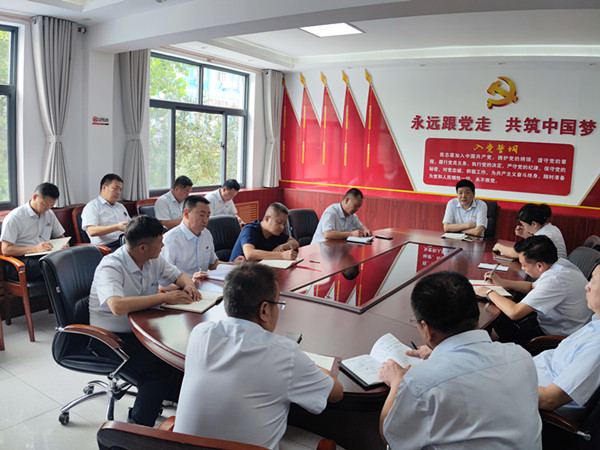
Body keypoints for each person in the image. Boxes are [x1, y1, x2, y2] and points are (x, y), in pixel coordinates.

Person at [174, 262, 343, 449]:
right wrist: (310, 364)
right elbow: (335, 393)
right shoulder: (286, 354)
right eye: (278, 304)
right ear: (264, 310)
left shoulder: (200, 333)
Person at [379, 271, 541, 449]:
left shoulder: (420, 383)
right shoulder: (520, 356)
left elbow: (390, 435)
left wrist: (397, 383)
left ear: (427, 329)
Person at [88, 215, 201, 426]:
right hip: (111, 338)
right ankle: (138, 427)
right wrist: (164, 298)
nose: (163, 245)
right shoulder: (111, 266)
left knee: (181, 354)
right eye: (160, 242)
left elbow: (180, 276)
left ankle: (174, 404)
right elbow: (117, 306)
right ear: (142, 248)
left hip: (145, 329)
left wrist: (189, 286)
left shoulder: (152, 259)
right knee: (156, 369)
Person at [476, 235, 591, 340]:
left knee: (500, 316)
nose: (522, 268)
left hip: (557, 338)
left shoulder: (554, 280)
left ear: (539, 265)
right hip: (564, 325)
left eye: (524, 265)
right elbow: (532, 286)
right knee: (504, 304)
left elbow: (514, 312)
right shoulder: (561, 265)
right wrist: (502, 282)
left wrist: (488, 292)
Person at [536, 263, 600, 420]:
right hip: (533, 372)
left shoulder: (597, 347)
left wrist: (505, 385)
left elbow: (549, 399)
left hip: (536, 403)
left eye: (593, 281)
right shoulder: (596, 322)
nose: (587, 286)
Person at [161, 195, 244, 284]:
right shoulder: (170, 241)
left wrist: (233, 265)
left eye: (208, 216)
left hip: (205, 284)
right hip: (182, 288)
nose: (205, 220)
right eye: (201, 215)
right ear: (186, 214)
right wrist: (190, 282)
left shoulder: (206, 234)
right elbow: (163, 283)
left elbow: (212, 264)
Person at [0, 182, 68, 281]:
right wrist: (35, 249)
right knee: (51, 266)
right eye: (45, 204)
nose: (47, 208)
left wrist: (64, 246)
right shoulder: (15, 217)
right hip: (21, 261)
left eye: (51, 205)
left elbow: (61, 237)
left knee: (70, 260)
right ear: (35, 197)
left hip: (44, 256)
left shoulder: (49, 214)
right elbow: (6, 250)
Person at [493, 203, 567, 259]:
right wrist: (527, 236)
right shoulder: (552, 228)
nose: (523, 227)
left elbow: (517, 254)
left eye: (523, 224)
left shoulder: (544, 237)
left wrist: (498, 246)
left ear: (534, 224)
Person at [229, 202, 299, 262]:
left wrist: (282, 247)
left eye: (284, 224)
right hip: (238, 270)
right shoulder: (250, 229)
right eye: (279, 222)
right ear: (267, 218)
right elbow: (250, 254)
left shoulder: (275, 232)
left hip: (258, 268)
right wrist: (281, 255)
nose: (282, 227)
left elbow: (295, 243)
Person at [81, 173, 131, 251]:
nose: (118, 192)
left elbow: (130, 224)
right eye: (116, 188)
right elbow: (91, 231)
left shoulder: (120, 206)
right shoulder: (92, 206)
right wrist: (117, 227)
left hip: (126, 242)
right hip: (107, 247)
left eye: (120, 189)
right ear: (104, 187)